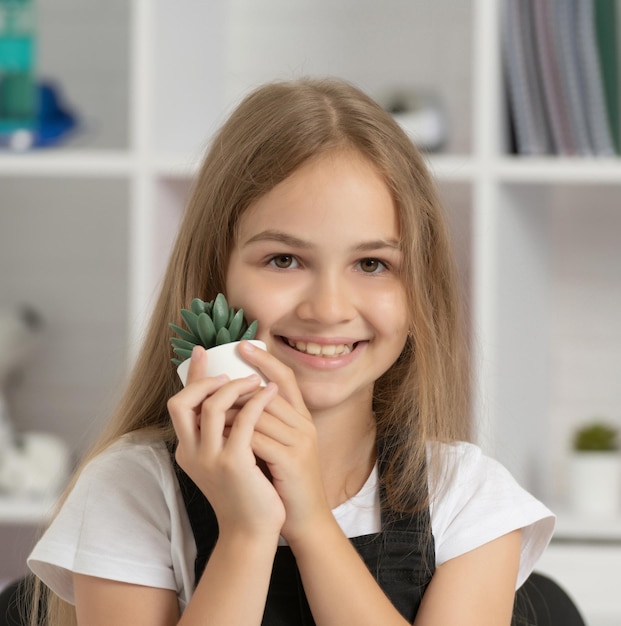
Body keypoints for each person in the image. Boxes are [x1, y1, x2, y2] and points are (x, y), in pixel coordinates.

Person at [26, 78, 554, 626]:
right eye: (284, 260)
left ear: (419, 294)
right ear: (216, 278)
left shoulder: (468, 495)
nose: (328, 309)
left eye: (372, 264)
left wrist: (310, 522)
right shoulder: (132, 488)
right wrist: (248, 532)